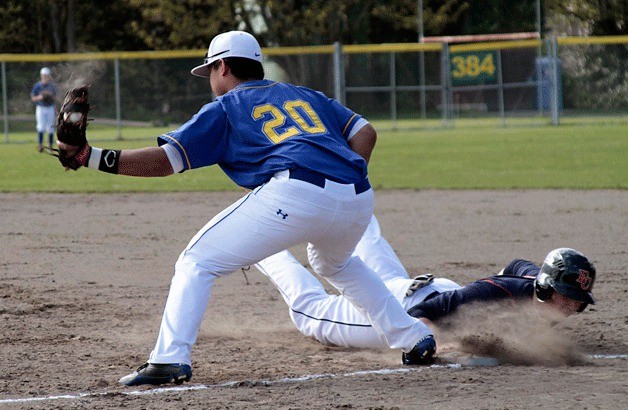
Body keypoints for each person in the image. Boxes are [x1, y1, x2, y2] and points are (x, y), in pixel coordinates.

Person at [56, 31, 436, 387]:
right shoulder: (304, 95)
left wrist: (91, 158)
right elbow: (365, 131)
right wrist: (343, 175)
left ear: (224, 66)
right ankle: (413, 336)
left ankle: (170, 358)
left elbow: (165, 161)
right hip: (358, 197)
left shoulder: (226, 107)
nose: (210, 79)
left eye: (210, 70)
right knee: (335, 265)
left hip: (296, 191)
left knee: (196, 260)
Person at [255, 215, 596, 350]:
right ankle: (261, 247)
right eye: (566, 296)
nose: (571, 306)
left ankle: (349, 207)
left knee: (375, 255)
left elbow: (519, 265)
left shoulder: (529, 286)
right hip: (405, 305)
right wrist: (439, 343)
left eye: (577, 300)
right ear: (546, 288)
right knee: (309, 311)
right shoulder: (489, 294)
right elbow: (422, 313)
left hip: (427, 287)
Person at [31, 67, 57, 152]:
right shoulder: (38, 86)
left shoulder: (52, 86)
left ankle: (50, 146)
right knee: (41, 127)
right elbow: (33, 98)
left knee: (50, 127)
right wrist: (41, 97)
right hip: (41, 108)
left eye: (47, 75)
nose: (45, 77)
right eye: (44, 75)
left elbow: (55, 97)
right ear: (41, 76)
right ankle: (41, 145)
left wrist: (49, 96)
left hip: (50, 107)